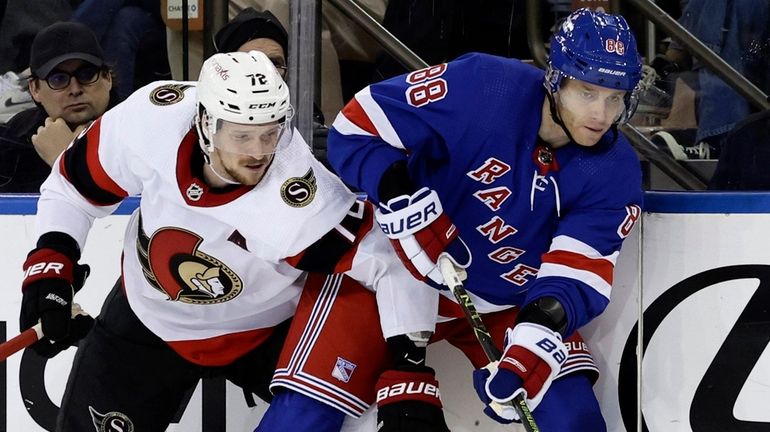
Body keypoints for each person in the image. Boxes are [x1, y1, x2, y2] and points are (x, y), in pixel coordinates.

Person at [17, 50, 443, 431]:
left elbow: (390, 258)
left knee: (362, 422)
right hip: (146, 321)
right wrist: (50, 269)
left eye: (270, 132)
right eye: (241, 135)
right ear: (204, 122)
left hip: (264, 332)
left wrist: (409, 369)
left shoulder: (303, 200)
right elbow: (73, 186)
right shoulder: (150, 121)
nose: (259, 152)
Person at [327, 8, 644, 431]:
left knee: (574, 419)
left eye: (615, 97)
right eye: (587, 92)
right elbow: (357, 125)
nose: (602, 116)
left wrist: (536, 334)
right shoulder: (482, 85)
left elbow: (578, 269)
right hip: (391, 278)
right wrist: (398, 192)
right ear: (554, 79)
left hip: (507, 303)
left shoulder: (615, 168)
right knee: (306, 412)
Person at [0, 21, 118, 193]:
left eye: (87, 75)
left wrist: (66, 159)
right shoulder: (15, 140)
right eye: (58, 79)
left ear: (107, 78)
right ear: (34, 88)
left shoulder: (137, 131)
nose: (75, 89)